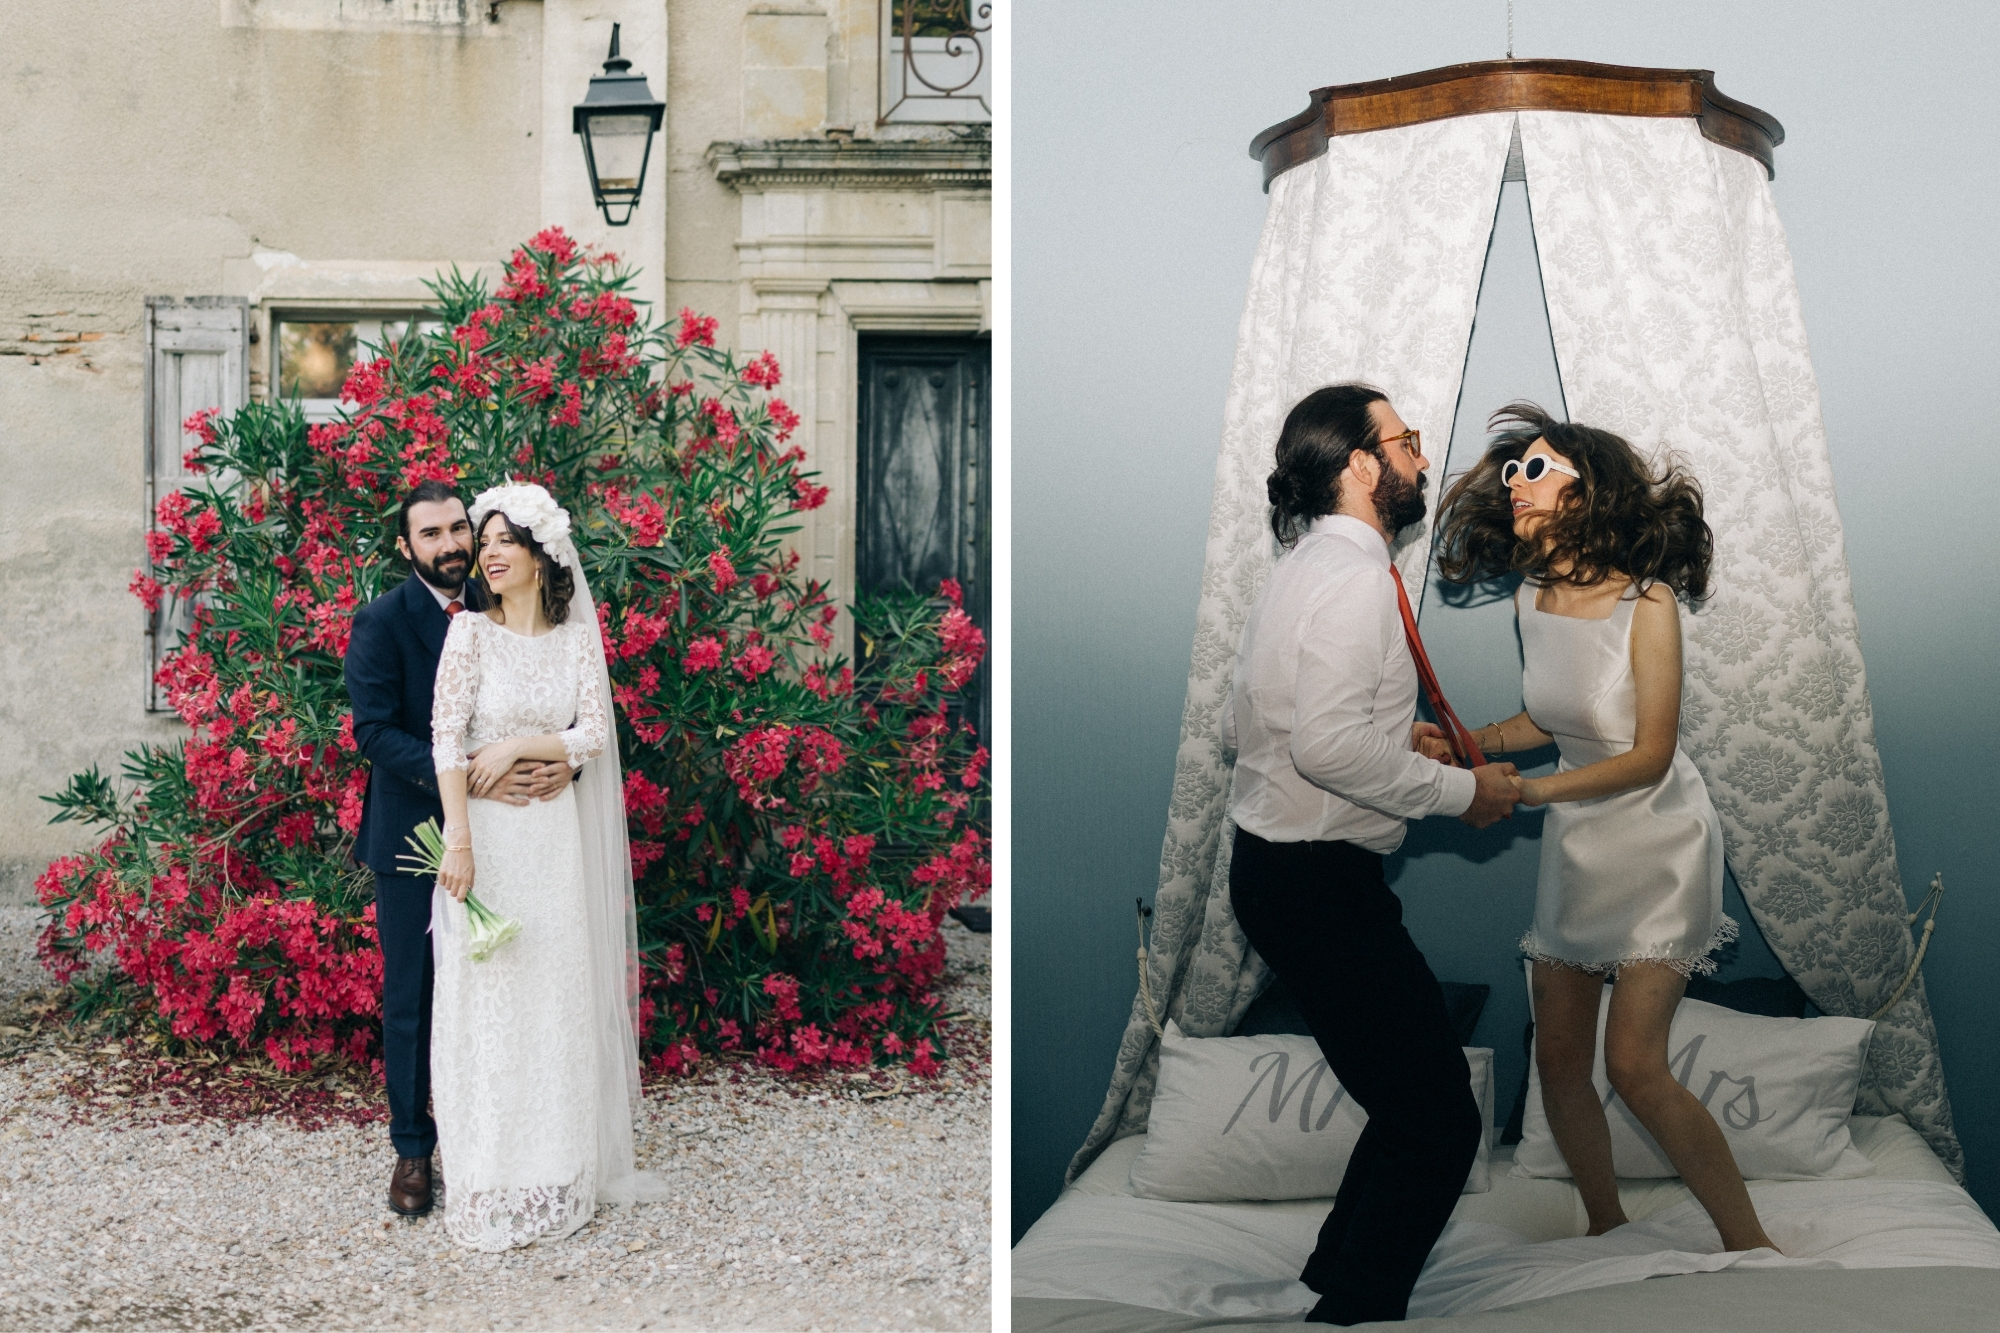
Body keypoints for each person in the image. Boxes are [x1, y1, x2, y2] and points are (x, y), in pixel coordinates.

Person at [1434, 402, 1777, 1254]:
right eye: (1512, 472)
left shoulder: (1645, 599)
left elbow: (1650, 755)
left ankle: (1749, 1243)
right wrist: (1461, 743)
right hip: (1576, 840)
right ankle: (1605, 1225)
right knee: (1557, 1062)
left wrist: (1529, 796)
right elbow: (1544, 720)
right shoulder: (1531, 597)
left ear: (1590, 491)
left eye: (1537, 470)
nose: (1516, 484)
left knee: (1632, 1062)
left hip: (1657, 837)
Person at [1224, 384, 1521, 1326]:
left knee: (1411, 1105)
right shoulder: (1354, 578)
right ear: (1360, 462)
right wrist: (1468, 793)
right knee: (1440, 1123)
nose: (1423, 460)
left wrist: (1413, 747)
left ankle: (1323, 1283)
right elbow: (1326, 750)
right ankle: (1350, 1311)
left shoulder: (1308, 566)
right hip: (1316, 881)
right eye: (1407, 442)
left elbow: (1283, 726)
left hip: (1287, 872)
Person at [429, 481, 663, 1250]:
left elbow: (593, 732)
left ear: (541, 557)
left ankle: (558, 1167)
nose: (488, 552)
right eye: (485, 540)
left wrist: (519, 748)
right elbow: (442, 740)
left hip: (553, 840)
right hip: (488, 846)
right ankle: (487, 1171)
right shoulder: (468, 633)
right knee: (488, 1004)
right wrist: (457, 837)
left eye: (504, 541)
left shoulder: (574, 639)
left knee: (554, 998)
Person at [344, 479, 576, 1218]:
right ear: (405, 546)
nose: (451, 545)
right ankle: (414, 1151)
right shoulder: (382, 621)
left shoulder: (502, 604)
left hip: (515, 832)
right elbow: (373, 731)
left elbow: (560, 705)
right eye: (432, 534)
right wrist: (474, 780)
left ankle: (501, 1143)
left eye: (458, 530)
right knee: (413, 995)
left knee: (503, 988)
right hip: (414, 833)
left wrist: (563, 761)